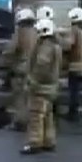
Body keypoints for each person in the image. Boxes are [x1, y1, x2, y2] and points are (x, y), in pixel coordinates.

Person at [22, 17, 61, 155]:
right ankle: (48, 141)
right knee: (48, 115)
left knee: (36, 115)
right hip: (51, 86)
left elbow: (41, 65)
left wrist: (32, 81)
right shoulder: (56, 45)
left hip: (41, 87)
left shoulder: (45, 47)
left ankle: (35, 142)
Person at [1, 7, 38, 130]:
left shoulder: (20, 33)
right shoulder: (39, 32)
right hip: (37, 69)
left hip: (22, 69)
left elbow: (10, 51)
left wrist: (5, 64)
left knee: (20, 98)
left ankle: (21, 122)